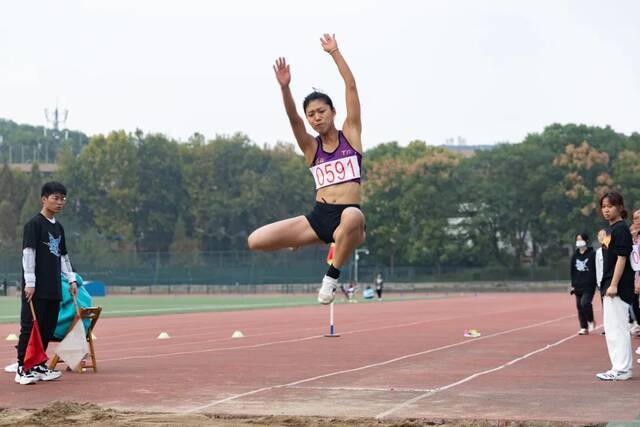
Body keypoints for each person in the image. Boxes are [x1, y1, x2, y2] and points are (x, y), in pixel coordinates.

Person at [248, 34, 366, 305]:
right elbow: (293, 119)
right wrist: (285, 88)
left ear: (333, 111)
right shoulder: (311, 148)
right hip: (320, 216)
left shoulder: (351, 134)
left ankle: (331, 277)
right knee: (256, 240)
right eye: (311, 114)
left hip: (350, 220)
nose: (317, 117)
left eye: (321, 111)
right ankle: (311, 239)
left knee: (351, 215)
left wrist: (334, 52)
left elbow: (351, 87)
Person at [14, 182, 78, 385]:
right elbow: (28, 254)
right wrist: (30, 282)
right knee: (30, 327)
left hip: (53, 286)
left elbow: (63, 256)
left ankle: (39, 365)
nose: (60, 202)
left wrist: (71, 279)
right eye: (55, 198)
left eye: (63, 199)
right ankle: (22, 368)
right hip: (36, 287)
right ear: (44, 199)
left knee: (47, 327)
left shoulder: (58, 227)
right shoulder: (34, 225)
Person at [596, 192, 635, 381]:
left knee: (617, 329)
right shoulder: (613, 230)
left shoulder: (621, 229)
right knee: (613, 329)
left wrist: (613, 285)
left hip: (617, 288)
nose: (606, 209)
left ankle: (621, 369)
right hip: (610, 286)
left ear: (619, 207)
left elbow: (622, 258)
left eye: (610, 206)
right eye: (603, 206)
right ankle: (620, 367)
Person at [570, 233, 597, 335]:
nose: (578, 241)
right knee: (579, 306)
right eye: (577, 239)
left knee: (585, 303)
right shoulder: (575, 255)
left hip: (589, 285)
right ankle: (583, 327)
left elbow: (596, 269)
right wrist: (573, 285)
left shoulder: (592, 254)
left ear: (586, 241)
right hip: (577, 285)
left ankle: (591, 320)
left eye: (580, 239)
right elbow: (572, 270)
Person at [595, 228, 607, 335]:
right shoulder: (598, 252)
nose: (601, 237)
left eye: (603, 235)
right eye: (599, 235)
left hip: (612, 281)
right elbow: (598, 268)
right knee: (605, 306)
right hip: (602, 283)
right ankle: (607, 327)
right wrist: (599, 283)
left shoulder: (613, 249)